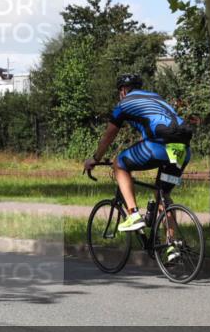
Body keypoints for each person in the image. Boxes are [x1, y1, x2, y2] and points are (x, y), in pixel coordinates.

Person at [83, 74, 193, 236]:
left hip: (159, 147)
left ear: (123, 90)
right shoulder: (155, 97)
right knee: (163, 194)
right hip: (183, 151)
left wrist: (95, 158)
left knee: (119, 163)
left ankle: (134, 214)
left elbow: (108, 136)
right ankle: (172, 246)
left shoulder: (124, 104)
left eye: (120, 91)